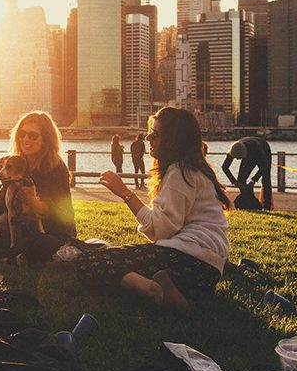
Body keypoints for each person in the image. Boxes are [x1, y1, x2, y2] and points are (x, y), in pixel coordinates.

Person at [75, 107, 230, 317]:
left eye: (155, 134)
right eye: (149, 130)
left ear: (173, 140)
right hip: (206, 273)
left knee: (91, 262)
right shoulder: (194, 170)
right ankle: (174, 294)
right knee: (113, 259)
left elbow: (159, 230)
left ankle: (153, 292)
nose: (148, 137)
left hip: (186, 261)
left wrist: (125, 194)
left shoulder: (179, 172)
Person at [0, 111, 78, 263]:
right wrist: (4, 189)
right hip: (15, 232)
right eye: (22, 134)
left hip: (49, 233)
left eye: (33, 136)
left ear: (46, 139)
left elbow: (62, 215)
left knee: (36, 242)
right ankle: (11, 254)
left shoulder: (56, 168)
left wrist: (34, 202)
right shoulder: (14, 164)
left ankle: (2, 253)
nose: (25, 139)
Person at [221, 136, 273, 210]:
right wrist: (235, 181)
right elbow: (224, 167)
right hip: (247, 150)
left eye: (239, 158)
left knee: (266, 179)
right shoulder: (233, 149)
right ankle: (249, 202)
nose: (237, 159)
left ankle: (267, 206)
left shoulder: (257, 150)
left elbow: (264, 166)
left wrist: (253, 180)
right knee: (241, 180)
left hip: (263, 148)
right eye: (235, 157)